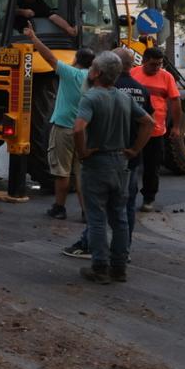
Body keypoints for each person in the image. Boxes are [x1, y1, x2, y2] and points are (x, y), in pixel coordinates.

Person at [63, 48, 153, 259]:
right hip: (121, 163)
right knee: (120, 217)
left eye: (92, 67)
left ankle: (100, 263)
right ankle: (120, 263)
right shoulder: (126, 97)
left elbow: (78, 129)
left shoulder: (91, 97)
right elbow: (149, 122)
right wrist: (135, 150)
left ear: (97, 73)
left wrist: (83, 152)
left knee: (96, 218)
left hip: (97, 163)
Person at [24, 25, 94, 220]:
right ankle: (86, 212)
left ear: (75, 60)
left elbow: (49, 57)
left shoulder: (70, 74)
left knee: (61, 172)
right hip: (85, 131)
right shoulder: (93, 79)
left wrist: (33, 37)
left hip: (64, 129)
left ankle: (59, 208)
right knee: (82, 173)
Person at [130, 46, 181, 211]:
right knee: (130, 165)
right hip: (134, 130)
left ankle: (148, 198)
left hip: (156, 131)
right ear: (144, 61)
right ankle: (129, 197)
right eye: (153, 64)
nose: (157, 68)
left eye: (160, 64)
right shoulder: (133, 73)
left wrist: (176, 127)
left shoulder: (166, 77)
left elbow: (175, 101)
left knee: (152, 167)